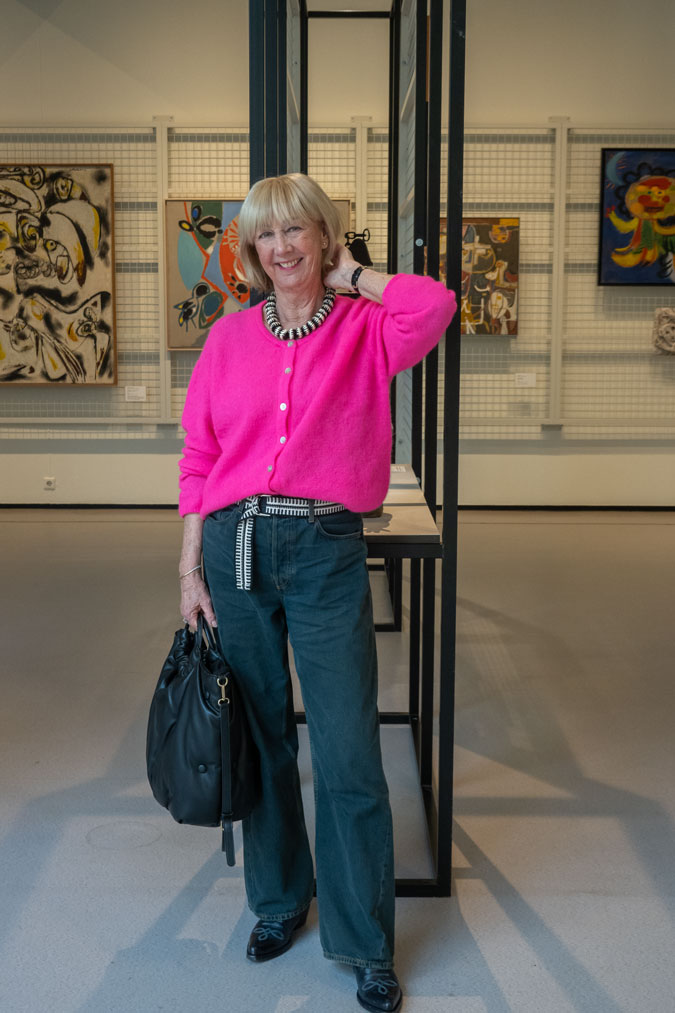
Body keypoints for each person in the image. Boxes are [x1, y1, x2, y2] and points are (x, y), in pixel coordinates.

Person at [178, 172, 456, 1013]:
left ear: (324, 239)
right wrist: (188, 568)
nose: (282, 247)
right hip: (235, 546)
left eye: (299, 231)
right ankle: (275, 901)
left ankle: (364, 942)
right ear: (251, 250)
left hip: (326, 545)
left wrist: (356, 276)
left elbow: (435, 304)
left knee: (345, 751)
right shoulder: (227, 341)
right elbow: (198, 458)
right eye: (266, 235)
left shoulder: (368, 327)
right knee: (259, 736)